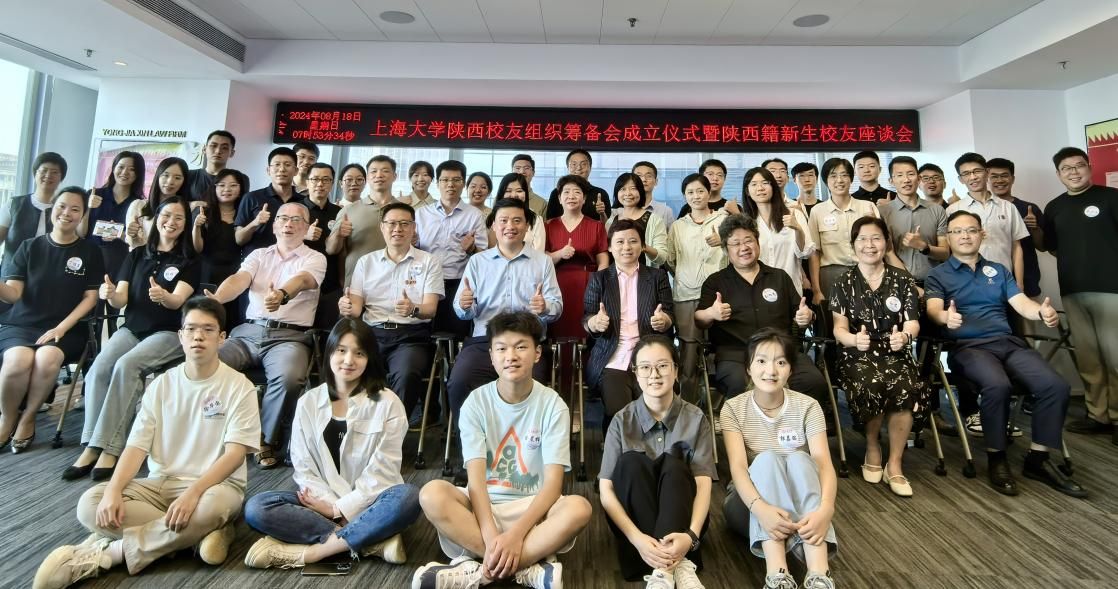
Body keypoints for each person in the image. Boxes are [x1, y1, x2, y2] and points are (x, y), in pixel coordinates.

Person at [32, 297, 261, 589]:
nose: (198, 337)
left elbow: (235, 454)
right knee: (91, 504)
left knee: (211, 508)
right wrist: (114, 490)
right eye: (191, 329)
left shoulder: (239, 387)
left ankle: (109, 554)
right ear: (181, 336)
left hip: (213, 489)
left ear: (222, 337)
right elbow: (136, 446)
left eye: (208, 329)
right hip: (159, 484)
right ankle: (197, 536)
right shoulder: (162, 385)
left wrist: (193, 493)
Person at [413, 311, 592, 589]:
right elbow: (475, 482)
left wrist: (516, 534)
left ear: (537, 353)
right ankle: (523, 568)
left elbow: (553, 486)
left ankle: (480, 572)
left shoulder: (553, 405)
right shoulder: (475, 403)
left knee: (579, 508)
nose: (511, 356)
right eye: (502, 348)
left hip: (533, 510)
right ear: (491, 356)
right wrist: (491, 534)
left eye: (521, 347)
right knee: (431, 494)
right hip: (483, 508)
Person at [925, 210, 1086, 497]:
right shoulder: (938, 275)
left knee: (1055, 386)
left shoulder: (998, 270)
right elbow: (933, 309)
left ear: (982, 234)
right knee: (997, 386)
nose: (965, 236)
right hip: (968, 348)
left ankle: (1038, 459)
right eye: (958, 231)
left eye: (971, 230)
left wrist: (1041, 312)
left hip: (1007, 343)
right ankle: (996, 457)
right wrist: (945, 318)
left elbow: (1021, 303)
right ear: (948, 237)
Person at [243, 318, 421, 570]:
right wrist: (327, 506)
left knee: (408, 497)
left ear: (370, 358)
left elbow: (383, 471)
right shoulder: (309, 402)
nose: (349, 360)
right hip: (319, 502)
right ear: (329, 353)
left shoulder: (388, 403)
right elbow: (304, 467)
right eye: (341, 350)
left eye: (359, 353)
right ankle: (370, 542)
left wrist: (338, 509)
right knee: (257, 507)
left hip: (371, 502)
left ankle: (315, 552)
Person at [65, 196, 199, 481]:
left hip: (168, 333)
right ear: (157, 219)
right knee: (99, 369)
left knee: (127, 366)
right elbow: (121, 298)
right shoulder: (137, 254)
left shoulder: (190, 261)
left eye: (179, 217)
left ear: (185, 224)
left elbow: (178, 302)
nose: (171, 222)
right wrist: (110, 294)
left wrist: (164, 296)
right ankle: (92, 445)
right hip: (132, 329)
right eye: (166, 215)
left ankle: (111, 448)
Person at [208, 202, 326, 469]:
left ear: (306, 227)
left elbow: (303, 280)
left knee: (289, 378)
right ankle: (216, 435)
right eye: (283, 218)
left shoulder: (315, 258)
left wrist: (281, 294)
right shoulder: (259, 254)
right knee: (207, 364)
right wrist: (217, 299)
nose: (288, 224)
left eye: (296, 219)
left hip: (289, 337)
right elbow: (240, 279)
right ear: (274, 226)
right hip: (247, 334)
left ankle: (264, 440)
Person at [721, 328, 837, 589]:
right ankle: (777, 574)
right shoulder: (733, 408)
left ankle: (819, 574)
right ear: (748, 368)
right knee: (767, 460)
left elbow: (823, 465)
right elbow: (738, 469)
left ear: (791, 369)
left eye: (780, 362)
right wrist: (761, 510)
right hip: (748, 505)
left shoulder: (808, 406)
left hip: (800, 502)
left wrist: (826, 510)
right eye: (761, 361)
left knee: (800, 460)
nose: (771, 370)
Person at [599, 336, 711, 587]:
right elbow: (606, 491)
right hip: (635, 530)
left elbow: (704, 485)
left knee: (674, 465)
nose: (654, 375)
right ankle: (679, 565)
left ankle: (663, 572)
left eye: (662, 366)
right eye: (645, 367)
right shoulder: (621, 420)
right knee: (631, 462)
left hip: (685, 525)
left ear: (676, 370)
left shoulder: (695, 418)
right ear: (635, 374)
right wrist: (636, 538)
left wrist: (691, 535)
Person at [0, 188, 103, 453]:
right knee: (16, 361)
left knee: (47, 359)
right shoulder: (29, 246)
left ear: (82, 215)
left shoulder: (90, 251)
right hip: (22, 324)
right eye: (61, 206)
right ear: (52, 209)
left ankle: (28, 417)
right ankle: (7, 418)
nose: (66, 213)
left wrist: (61, 328)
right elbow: (13, 294)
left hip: (67, 328)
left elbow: (90, 298)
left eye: (75, 209)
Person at [829, 217, 927, 497]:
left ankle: (895, 462)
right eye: (862, 239)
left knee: (905, 385)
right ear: (853, 245)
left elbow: (912, 323)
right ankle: (873, 445)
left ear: (886, 243)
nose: (869, 245)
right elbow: (838, 329)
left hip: (895, 349)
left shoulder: (903, 280)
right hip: (857, 352)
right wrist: (853, 340)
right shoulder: (843, 281)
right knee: (871, 382)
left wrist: (905, 337)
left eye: (876, 238)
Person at [447, 198, 562, 424]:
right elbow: (462, 311)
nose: (510, 226)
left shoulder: (543, 262)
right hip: (485, 342)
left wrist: (545, 307)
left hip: (526, 342)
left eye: (517, 221)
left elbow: (556, 307)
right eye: (504, 220)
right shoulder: (478, 262)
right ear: (493, 225)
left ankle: (524, 443)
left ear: (527, 226)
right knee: (459, 382)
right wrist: (465, 305)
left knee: (535, 387)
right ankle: (470, 442)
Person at [694, 215, 826, 411]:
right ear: (726, 249)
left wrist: (807, 316)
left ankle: (794, 428)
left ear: (757, 242)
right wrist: (711, 313)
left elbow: (802, 311)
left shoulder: (779, 277)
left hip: (781, 352)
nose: (744, 247)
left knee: (814, 382)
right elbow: (699, 319)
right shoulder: (715, 282)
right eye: (736, 243)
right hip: (737, 356)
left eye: (748, 240)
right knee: (740, 385)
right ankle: (753, 430)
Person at [340, 202, 444, 427]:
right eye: (392, 223)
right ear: (382, 227)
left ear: (413, 228)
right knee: (347, 367)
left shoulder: (429, 262)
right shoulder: (366, 262)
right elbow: (356, 308)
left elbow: (430, 309)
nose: (398, 229)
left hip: (410, 337)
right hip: (371, 335)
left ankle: (392, 433)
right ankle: (355, 427)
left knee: (406, 375)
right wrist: (346, 306)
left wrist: (413, 308)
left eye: (404, 224)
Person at [1042, 146, 1118, 441]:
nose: (1073, 172)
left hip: (1112, 289)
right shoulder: (1054, 207)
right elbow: (1050, 246)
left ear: (1089, 167)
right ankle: (1098, 415)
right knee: (1089, 358)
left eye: (1079, 165)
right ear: (1058, 174)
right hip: (1073, 291)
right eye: (1066, 168)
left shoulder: (1111, 197)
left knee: (1116, 358)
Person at [584, 220, 675, 432]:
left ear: (642, 246)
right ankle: (617, 446)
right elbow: (587, 317)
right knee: (618, 411)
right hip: (612, 356)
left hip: (649, 354)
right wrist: (595, 323)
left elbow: (670, 314)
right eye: (620, 242)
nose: (626, 247)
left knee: (654, 408)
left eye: (633, 241)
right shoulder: (599, 279)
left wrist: (664, 320)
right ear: (609, 247)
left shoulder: (657, 276)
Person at [666, 173, 728, 398]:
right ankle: (688, 404)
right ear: (684, 196)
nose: (696, 196)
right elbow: (671, 260)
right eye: (690, 192)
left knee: (723, 349)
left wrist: (723, 242)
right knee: (689, 353)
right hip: (686, 295)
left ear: (709, 193)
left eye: (700, 191)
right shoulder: (677, 226)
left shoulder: (724, 221)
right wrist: (686, 276)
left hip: (721, 294)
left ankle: (720, 404)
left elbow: (738, 253)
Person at [416, 160, 488, 340]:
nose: (450, 184)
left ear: (463, 183)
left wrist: (471, 248)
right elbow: (412, 249)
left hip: (458, 283)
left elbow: (483, 257)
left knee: (455, 336)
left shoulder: (474, 215)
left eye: (456, 180)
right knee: (423, 335)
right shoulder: (421, 214)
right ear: (437, 183)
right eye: (445, 180)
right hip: (424, 282)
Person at [807, 157, 884, 308]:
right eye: (833, 176)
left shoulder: (867, 207)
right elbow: (814, 253)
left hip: (867, 272)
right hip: (831, 275)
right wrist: (816, 290)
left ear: (851, 179)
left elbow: (881, 246)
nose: (839, 180)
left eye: (844, 175)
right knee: (834, 319)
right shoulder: (817, 211)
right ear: (826, 180)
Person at [946, 152, 1027, 287]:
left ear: (987, 172)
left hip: (1004, 280)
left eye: (977, 171)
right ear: (961, 179)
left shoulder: (1008, 207)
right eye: (966, 173)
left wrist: (1019, 284)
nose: (973, 177)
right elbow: (951, 249)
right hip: (967, 282)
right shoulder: (953, 210)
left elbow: (1016, 248)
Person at [545, 174, 609, 341]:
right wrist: (560, 253)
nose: (571, 196)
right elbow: (542, 259)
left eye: (577, 192)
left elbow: (603, 259)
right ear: (559, 198)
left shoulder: (596, 226)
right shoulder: (548, 226)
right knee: (558, 329)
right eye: (566, 192)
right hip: (556, 284)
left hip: (589, 284)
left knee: (586, 329)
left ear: (584, 198)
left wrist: (599, 285)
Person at [740, 167, 813, 295]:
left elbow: (805, 253)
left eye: (765, 183)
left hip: (789, 288)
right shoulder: (744, 222)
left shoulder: (794, 214)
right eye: (754, 184)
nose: (760, 188)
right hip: (756, 289)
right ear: (747, 191)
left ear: (773, 187)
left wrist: (798, 229)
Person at [878, 156, 949, 285]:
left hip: (934, 283)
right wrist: (909, 285)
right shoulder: (882, 213)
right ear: (891, 181)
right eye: (899, 175)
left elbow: (945, 253)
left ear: (919, 178)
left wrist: (924, 247)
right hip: (896, 283)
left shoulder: (937, 210)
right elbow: (885, 253)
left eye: (911, 174)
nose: (906, 180)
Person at [192, 168, 248, 325]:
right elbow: (198, 248)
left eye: (233, 185)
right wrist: (196, 227)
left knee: (232, 318)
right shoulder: (203, 212)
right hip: (207, 272)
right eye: (221, 185)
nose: (227, 189)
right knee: (205, 316)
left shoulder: (244, 213)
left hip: (235, 273)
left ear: (241, 189)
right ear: (214, 188)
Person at [327, 155, 393, 286]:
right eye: (374, 171)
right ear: (368, 177)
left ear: (394, 176)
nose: (379, 175)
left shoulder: (404, 211)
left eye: (385, 171)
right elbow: (331, 250)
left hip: (392, 282)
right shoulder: (348, 210)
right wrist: (338, 234)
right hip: (356, 284)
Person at [987, 158, 1045, 300]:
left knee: (1029, 314)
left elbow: (1042, 247)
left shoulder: (1029, 208)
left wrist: (1035, 228)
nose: (999, 180)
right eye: (994, 176)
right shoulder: (980, 209)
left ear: (1012, 179)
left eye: (1004, 175)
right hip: (990, 279)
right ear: (987, 179)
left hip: (1027, 279)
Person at [82, 151, 144, 281]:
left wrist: (121, 235)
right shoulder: (94, 195)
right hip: (88, 257)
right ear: (114, 168)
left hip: (119, 263)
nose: (125, 172)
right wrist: (88, 208)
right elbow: (80, 233)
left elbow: (140, 242)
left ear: (138, 174)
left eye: (132, 169)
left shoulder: (139, 205)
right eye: (121, 167)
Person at [0, 152, 68, 271]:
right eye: (44, 170)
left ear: (61, 177)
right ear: (35, 173)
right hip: (10, 273)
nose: (48, 175)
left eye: (55, 172)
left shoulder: (64, 210)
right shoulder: (14, 204)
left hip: (47, 275)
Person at [234, 147, 305, 259]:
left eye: (287, 165)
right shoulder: (251, 198)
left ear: (296, 170)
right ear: (268, 170)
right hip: (257, 263)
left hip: (292, 264)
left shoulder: (303, 202)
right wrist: (255, 223)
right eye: (277, 164)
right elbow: (239, 239)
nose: (282, 169)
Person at [302, 163, 343, 328]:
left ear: (332, 184)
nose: (320, 184)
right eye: (315, 179)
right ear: (307, 182)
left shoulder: (339, 212)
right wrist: (304, 235)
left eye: (326, 180)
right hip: (301, 282)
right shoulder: (295, 209)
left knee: (327, 331)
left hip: (330, 284)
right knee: (301, 332)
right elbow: (278, 241)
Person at [605, 172, 669, 267]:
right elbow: (605, 252)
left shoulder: (654, 220)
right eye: (623, 189)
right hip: (616, 274)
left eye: (633, 188)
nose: (628, 193)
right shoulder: (611, 222)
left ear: (640, 191)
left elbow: (662, 257)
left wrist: (642, 246)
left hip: (644, 274)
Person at [124, 157, 188, 251]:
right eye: (165, 175)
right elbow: (132, 244)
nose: (170, 181)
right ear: (158, 176)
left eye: (177, 178)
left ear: (184, 181)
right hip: (141, 258)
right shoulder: (138, 205)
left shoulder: (185, 209)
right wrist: (132, 235)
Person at [545, 149, 610, 221]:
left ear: (590, 167)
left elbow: (607, 224)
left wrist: (602, 213)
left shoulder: (601, 193)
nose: (579, 168)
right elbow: (550, 222)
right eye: (574, 164)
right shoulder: (557, 192)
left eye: (583, 164)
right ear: (568, 167)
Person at [494, 172, 545, 251]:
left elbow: (539, 252)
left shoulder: (536, 219)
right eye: (508, 191)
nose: (514, 195)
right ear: (501, 194)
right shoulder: (493, 216)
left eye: (519, 191)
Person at [185, 130, 238, 201]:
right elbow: (178, 201)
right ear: (204, 149)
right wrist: (191, 204)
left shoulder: (239, 179)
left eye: (224, 148)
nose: (218, 151)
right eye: (213, 146)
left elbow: (242, 205)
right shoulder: (189, 175)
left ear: (232, 153)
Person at [632, 160, 675, 229]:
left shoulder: (665, 211)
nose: (643, 179)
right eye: (639, 176)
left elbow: (671, 235)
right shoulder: (621, 211)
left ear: (656, 181)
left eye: (648, 176)